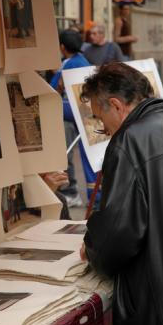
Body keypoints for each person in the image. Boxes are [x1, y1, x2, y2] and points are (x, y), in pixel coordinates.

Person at [79, 62, 163, 325]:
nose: (104, 130)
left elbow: (118, 236)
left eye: (100, 120)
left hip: (156, 302)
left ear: (116, 105)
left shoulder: (130, 141)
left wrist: (92, 248)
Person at [50, 29, 91, 208]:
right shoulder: (83, 61)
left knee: (63, 154)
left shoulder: (68, 65)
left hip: (72, 115)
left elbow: (51, 90)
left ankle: (70, 191)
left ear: (62, 47)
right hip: (86, 114)